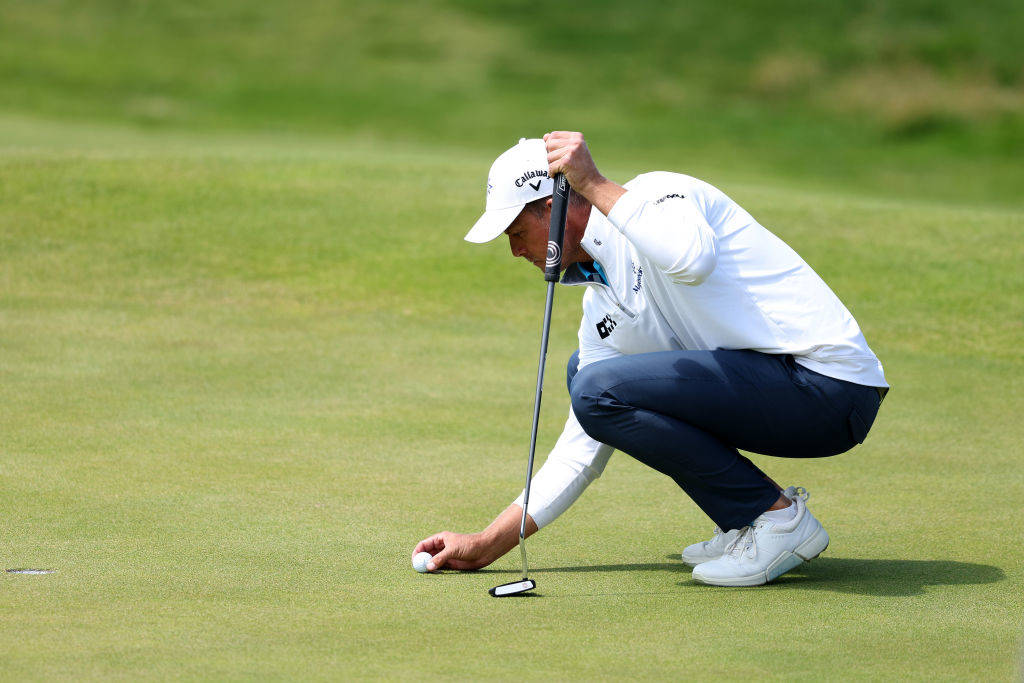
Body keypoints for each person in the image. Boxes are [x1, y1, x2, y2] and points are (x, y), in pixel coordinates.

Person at [412, 132, 888, 586]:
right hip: (780, 394)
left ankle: (777, 520)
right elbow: (583, 444)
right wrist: (488, 543)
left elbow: (690, 259)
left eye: (518, 231)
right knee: (588, 376)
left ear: (554, 208)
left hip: (827, 385)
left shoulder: (660, 194)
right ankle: (748, 521)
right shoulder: (601, 301)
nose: (515, 250)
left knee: (595, 384)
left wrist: (592, 183)